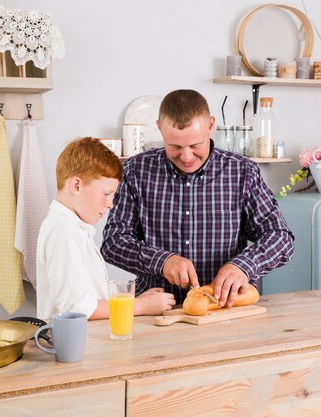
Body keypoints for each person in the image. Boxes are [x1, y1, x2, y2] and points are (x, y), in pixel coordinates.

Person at [101, 90, 294, 307]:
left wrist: (244, 266)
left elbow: (280, 237)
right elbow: (113, 242)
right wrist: (161, 261)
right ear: (159, 128)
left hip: (225, 310)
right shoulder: (135, 171)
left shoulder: (242, 172)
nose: (186, 157)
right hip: (154, 312)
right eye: (174, 146)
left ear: (211, 125)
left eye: (195, 145)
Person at [36, 137, 176, 321]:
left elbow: (91, 298)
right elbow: (76, 307)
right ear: (76, 185)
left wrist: (134, 300)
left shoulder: (73, 228)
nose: (111, 204)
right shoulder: (63, 231)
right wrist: (139, 306)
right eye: (107, 194)